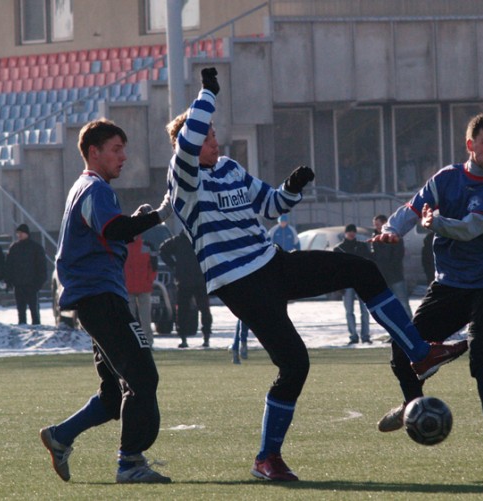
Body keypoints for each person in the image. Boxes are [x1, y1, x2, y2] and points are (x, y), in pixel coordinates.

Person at [166, 67, 467, 481]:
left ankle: (419, 352)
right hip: (239, 282)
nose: (215, 138)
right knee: (295, 365)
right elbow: (190, 135)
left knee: (360, 269)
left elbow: (271, 206)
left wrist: (292, 186)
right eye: (208, 134)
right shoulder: (183, 177)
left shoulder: (230, 168)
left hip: (272, 263)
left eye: (215, 132)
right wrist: (208, 93)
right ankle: (266, 459)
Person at [371, 112, 483, 454]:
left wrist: (436, 224)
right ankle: (414, 406)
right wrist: (392, 231)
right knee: (403, 344)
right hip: (450, 282)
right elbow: (413, 208)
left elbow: (471, 228)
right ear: (470, 145)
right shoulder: (447, 178)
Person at [39, 118, 173, 484]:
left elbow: (109, 232)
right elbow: (113, 229)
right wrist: (160, 215)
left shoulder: (84, 188)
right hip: (101, 297)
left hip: (94, 297)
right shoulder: (96, 189)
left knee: (114, 394)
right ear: (93, 152)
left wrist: (138, 220)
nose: (123, 157)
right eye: (116, 150)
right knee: (143, 376)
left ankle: (60, 436)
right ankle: (130, 463)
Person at [159, 231, 213, 348]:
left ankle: (188, 338)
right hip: (196, 280)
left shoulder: (180, 240)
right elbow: (162, 250)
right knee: (200, 310)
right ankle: (203, 337)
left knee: (187, 311)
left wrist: (174, 265)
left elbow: (163, 250)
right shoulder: (199, 239)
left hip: (188, 280)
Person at [333, 224, 372, 345]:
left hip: (361, 282)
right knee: (349, 311)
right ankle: (353, 336)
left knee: (364, 311)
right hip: (347, 284)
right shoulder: (339, 249)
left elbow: (368, 263)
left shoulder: (362, 246)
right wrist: (338, 286)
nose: (351, 233)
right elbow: (336, 269)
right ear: (345, 233)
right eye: (349, 231)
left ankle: (365, 336)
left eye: (353, 231)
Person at [4, 223, 47, 325]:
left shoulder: (35, 248)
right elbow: (9, 266)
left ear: (27, 233)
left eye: (21, 233)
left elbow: (41, 266)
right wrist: (9, 281)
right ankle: (23, 329)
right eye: (18, 233)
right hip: (18, 284)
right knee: (21, 311)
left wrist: (38, 283)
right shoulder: (14, 248)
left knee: (34, 311)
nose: (19, 235)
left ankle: (37, 330)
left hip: (32, 284)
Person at [371, 214, 412, 319]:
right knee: (390, 305)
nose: (376, 227)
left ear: (385, 223)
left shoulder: (394, 236)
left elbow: (397, 256)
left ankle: (411, 327)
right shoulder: (374, 239)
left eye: (378, 225)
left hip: (395, 275)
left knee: (403, 303)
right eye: (375, 225)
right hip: (384, 277)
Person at [124, 230, 158, 347]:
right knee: (130, 319)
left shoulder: (147, 246)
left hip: (144, 288)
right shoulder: (124, 247)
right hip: (128, 289)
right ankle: (132, 343)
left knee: (146, 318)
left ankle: (148, 343)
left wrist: (149, 281)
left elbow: (154, 267)